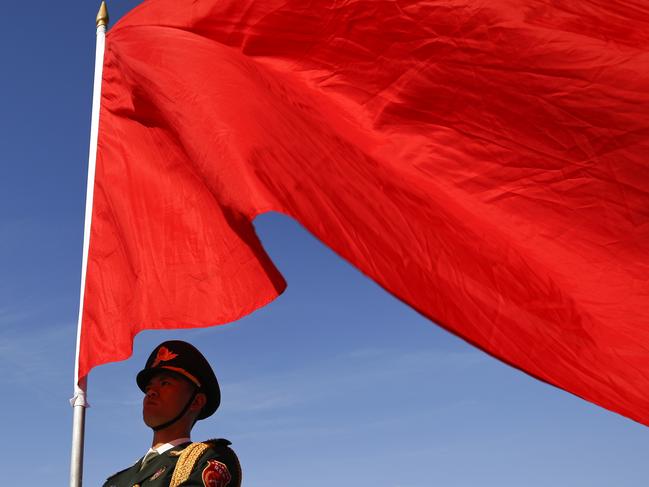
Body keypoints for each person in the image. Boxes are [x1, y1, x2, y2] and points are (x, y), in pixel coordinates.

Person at [103, 340, 242, 487]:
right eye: (149, 387)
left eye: (165, 383)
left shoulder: (212, 458)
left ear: (196, 402)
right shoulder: (116, 482)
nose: (151, 392)